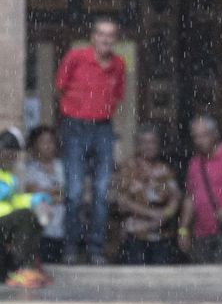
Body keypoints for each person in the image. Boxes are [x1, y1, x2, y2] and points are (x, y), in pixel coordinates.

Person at [55, 16, 126, 265]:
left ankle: (96, 249)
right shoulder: (76, 57)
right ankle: (71, 248)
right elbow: (60, 85)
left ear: (115, 39)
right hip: (75, 127)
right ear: (93, 37)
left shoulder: (118, 64)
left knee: (102, 192)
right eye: (101, 34)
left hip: (103, 128)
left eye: (111, 35)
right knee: (74, 192)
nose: (106, 39)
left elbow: (118, 96)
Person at [112, 125, 181, 265]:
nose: (149, 146)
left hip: (162, 237)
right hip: (136, 236)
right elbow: (122, 202)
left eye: (152, 142)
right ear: (137, 145)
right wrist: (153, 214)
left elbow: (176, 198)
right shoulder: (128, 168)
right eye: (144, 142)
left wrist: (165, 214)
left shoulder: (164, 169)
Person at [0, 128, 52, 289]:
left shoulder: (7, 175)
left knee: (35, 216)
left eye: (14, 154)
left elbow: (13, 201)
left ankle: (29, 267)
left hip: (5, 222)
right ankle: (21, 267)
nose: (11, 158)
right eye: (8, 153)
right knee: (25, 216)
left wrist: (34, 200)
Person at [178, 116, 222, 263]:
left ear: (215, 134)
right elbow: (190, 198)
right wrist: (183, 230)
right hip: (201, 235)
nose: (199, 141)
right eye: (196, 137)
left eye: (204, 135)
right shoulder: (195, 163)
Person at [23, 126, 65, 264]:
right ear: (35, 145)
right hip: (41, 232)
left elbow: (64, 194)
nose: (48, 146)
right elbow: (31, 192)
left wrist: (43, 193)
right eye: (43, 141)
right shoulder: (29, 169)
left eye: (51, 141)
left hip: (62, 230)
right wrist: (53, 192)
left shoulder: (63, 167)